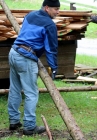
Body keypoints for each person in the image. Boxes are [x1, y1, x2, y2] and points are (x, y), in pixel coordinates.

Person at [7, 0, 60, 135]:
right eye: (55, 9)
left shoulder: (30, 15)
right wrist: (54, 68)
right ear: (47, 8)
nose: (58, 11)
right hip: (26, 58)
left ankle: (14, 121)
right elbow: (51, 49)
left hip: (14, 52)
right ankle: (29, 126)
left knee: (14, 89)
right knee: (31, 93)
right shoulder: (49, 25)